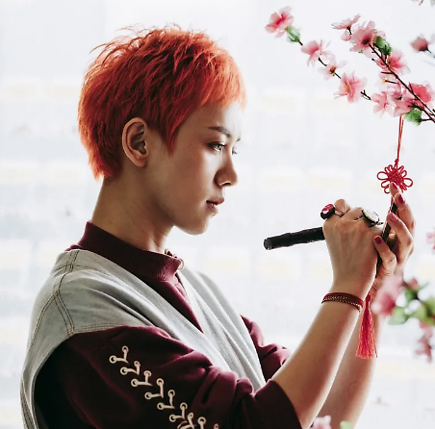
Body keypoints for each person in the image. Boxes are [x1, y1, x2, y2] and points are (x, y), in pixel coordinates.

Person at [20, 26, 415, 429]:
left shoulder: (199, 293)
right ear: (139, 142)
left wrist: (370, 294)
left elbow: (320, 416)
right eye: (215, 145)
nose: (231, 175)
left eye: (234, 150)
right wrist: (345, 287)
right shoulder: (86, 313)